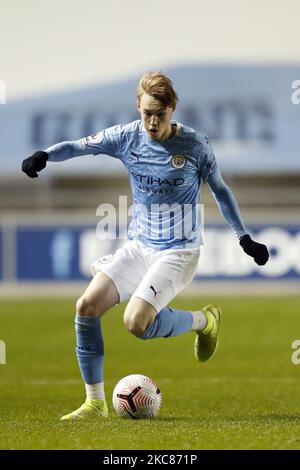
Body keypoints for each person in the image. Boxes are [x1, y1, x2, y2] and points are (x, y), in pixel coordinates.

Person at [22, 71, 269, 420]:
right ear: (138, 106)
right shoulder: (126, 136)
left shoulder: (195, 145)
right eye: (147, 112)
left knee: (135, 322)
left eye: (160, 114)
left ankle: (204, 321)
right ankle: (95, 403)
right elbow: (78, 145)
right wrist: (44, 155)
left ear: (172, 109)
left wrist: (244, 237)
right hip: (139, 245)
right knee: (86, 306)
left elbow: (221, 191)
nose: (152, 122)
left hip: (179, 251)